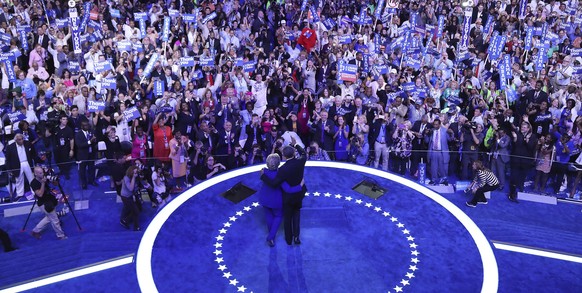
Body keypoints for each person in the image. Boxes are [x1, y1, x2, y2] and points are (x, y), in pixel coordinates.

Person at [260, 137, 307, 245]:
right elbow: (304, 154)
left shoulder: (281, 170)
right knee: (296, 214)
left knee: (287, 217)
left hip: (282, 198)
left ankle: (288, 239)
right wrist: (296, 145)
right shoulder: (301, 161)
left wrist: (262, 176)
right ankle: (296, 237)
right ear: (294, 154)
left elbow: (273, 183)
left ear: (284, 157)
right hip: (298, 195)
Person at [30, 167, 67, 240]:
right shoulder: (33, 183)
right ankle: (61, 236)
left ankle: (35, 231)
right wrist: (43, 183)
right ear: (35, 174)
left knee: (49, 217)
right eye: (40, 173)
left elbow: (55, 184)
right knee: (55, 220)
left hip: (50, 200)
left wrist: (54, 179)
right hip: (44, 204)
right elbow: (40, 194)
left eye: (42, 172)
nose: (42, 174)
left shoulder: (44, 177)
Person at [5, 133, 35, 199]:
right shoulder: (10, 147)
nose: (21, 141)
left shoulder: (27, 143)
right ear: (16, 140)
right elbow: (8, 160)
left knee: (31, 178)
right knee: (19, 179)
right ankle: (20, 194)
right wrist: (9, 169)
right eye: (19, 140)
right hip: (17, 164)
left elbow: (33, 154)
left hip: (27, 162)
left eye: (22, 139)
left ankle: (34, 192)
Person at [426, 119, 451, 185]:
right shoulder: (431, 131)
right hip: (433, 151)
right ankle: (433, 180)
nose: (435, 126)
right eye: (434, 124)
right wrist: (426, 134)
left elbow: (450, 139)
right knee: (433, 167)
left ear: (440, 124)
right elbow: (426, 141)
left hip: (442, 152)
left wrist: (451, 133)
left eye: (436, 124)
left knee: (442, 167)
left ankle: (444, 179)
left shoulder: (445, 131)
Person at [75, 121, 97, 189]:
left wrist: (95, 140)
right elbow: (79, 145)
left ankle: (92, 181)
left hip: (91, 154)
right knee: (82, 170)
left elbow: (95, 141)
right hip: (82, 155)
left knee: (91, 168)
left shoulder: (91, 131)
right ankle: (84, 183)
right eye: (85, 126)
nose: (87, 127)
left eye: (88, 125)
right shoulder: (78, 134)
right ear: (82, 127)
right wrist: (90, 141)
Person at [119, 165, 141, 231]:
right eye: (135, 172)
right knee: (136, 211)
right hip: (125, 197)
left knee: (136, 209)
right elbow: (131, 188)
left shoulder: (133, 177)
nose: (136, 174)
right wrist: (134, 177)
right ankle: (135, 226)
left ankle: (125, 220)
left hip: (130, 196)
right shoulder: (126, 178)